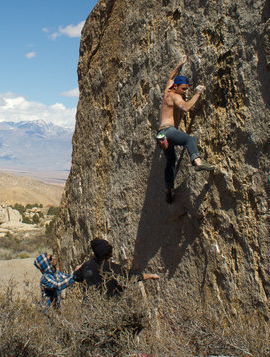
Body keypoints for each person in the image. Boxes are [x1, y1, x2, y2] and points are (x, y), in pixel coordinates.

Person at [156, 56, 215, 203]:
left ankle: (168, 190)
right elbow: (186, 107)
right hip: (169, 131)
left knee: (171, 161)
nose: (184, 92)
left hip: (161, 134)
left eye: (186, 90)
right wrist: (197, 93)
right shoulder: (175, 97)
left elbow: (171, 76)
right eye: (183, 89)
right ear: (175, 87)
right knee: (189, 139)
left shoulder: (167, 90)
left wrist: (180, 63)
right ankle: (198, 162)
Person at [73, 238, 158, 298]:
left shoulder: (87, 266)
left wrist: (81, 267)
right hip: (108, 310)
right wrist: (150, 275)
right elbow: (131, 276)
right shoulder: (111, 268)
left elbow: (76, 276)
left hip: (90, 312)